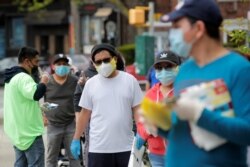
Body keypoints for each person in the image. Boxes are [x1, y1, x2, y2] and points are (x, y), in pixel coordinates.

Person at [154, 0, 250, 166]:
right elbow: (184, 132)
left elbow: (247, 132)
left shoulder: (239, 69)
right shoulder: (184, 70)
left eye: (177, 26)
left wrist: (200, 114)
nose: (172, 34)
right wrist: (160, 123)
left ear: (198, 28)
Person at [70, 43, 143, 167]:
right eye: (98, 62)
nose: (103, 64)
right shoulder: (91, 84)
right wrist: (76, 138)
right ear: (93, 64)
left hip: (126, 147)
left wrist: (141, 131)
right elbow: (84, 114)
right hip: (98, 149)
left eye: (106, 60)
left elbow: (137, 110)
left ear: (114, 59)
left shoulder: (130, 81)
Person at [3, 46, 49, 167]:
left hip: (18, 132)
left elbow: (22, 101)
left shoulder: (11, 78)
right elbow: (36, 94)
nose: (38, 65)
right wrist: (44, 81)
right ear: (27, 61)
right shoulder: (24, 78)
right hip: (30, 133)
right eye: (36, 61)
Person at [136, 50, 181, 167]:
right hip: (157, 155)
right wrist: (147, 130)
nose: (164, 71)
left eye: (168, 67)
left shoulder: (183, 91)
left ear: (178, 68)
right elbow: (141, 124)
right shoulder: (150, 95)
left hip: (180, 152)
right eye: (159, 68)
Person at [43, 53, 81, 167]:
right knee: (51, 158)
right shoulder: (47, 82)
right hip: (53, 125)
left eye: (64, 64)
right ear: (53, 66)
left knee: (74, 156)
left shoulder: (74, 81)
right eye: (58, 64)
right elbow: (40, 100)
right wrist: (43, 115)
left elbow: (80, 100)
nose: (62, 66)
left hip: (71, 124)